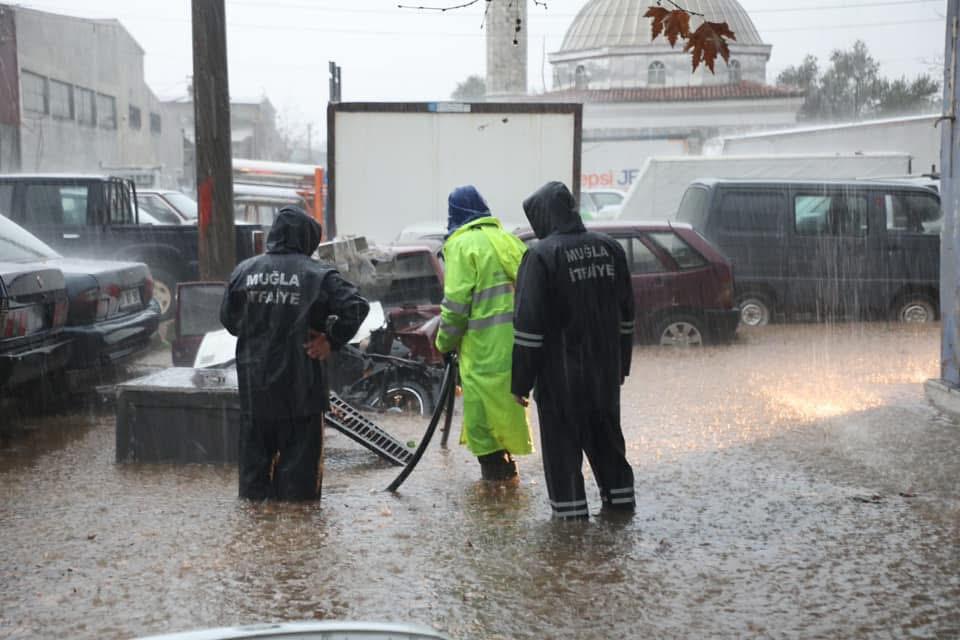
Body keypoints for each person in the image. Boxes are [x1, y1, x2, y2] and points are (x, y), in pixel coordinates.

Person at [221, 206, 369, 501]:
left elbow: (229, 321)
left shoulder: (243, 271)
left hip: (255, 394)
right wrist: (331, 339)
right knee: (299, 496)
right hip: (302, 396)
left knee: (253, 491)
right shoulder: (318, 275)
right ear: (307, 239)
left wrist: (260, 331)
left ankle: (258, 542)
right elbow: (357, 307)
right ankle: (297, 543)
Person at [511, 181, 636, 520]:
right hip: (604, 375)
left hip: (560, 379)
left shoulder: (540, 256)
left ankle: (570, 537)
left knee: (562, 455)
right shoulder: (611, 249)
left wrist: (520, 383)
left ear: (543, 217)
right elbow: (627, 317)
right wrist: (621, 365)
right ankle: (621, 512)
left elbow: (528, 330)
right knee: (608, 445)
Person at [435, 185, 533, 481]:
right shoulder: (509, 241)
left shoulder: (461, 245)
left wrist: (444, 343)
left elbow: (455, 306)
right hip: (518, 350)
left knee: (482, 424)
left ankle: (495, 497)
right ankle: (509, 492)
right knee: (508, 413)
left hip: (482, 353)